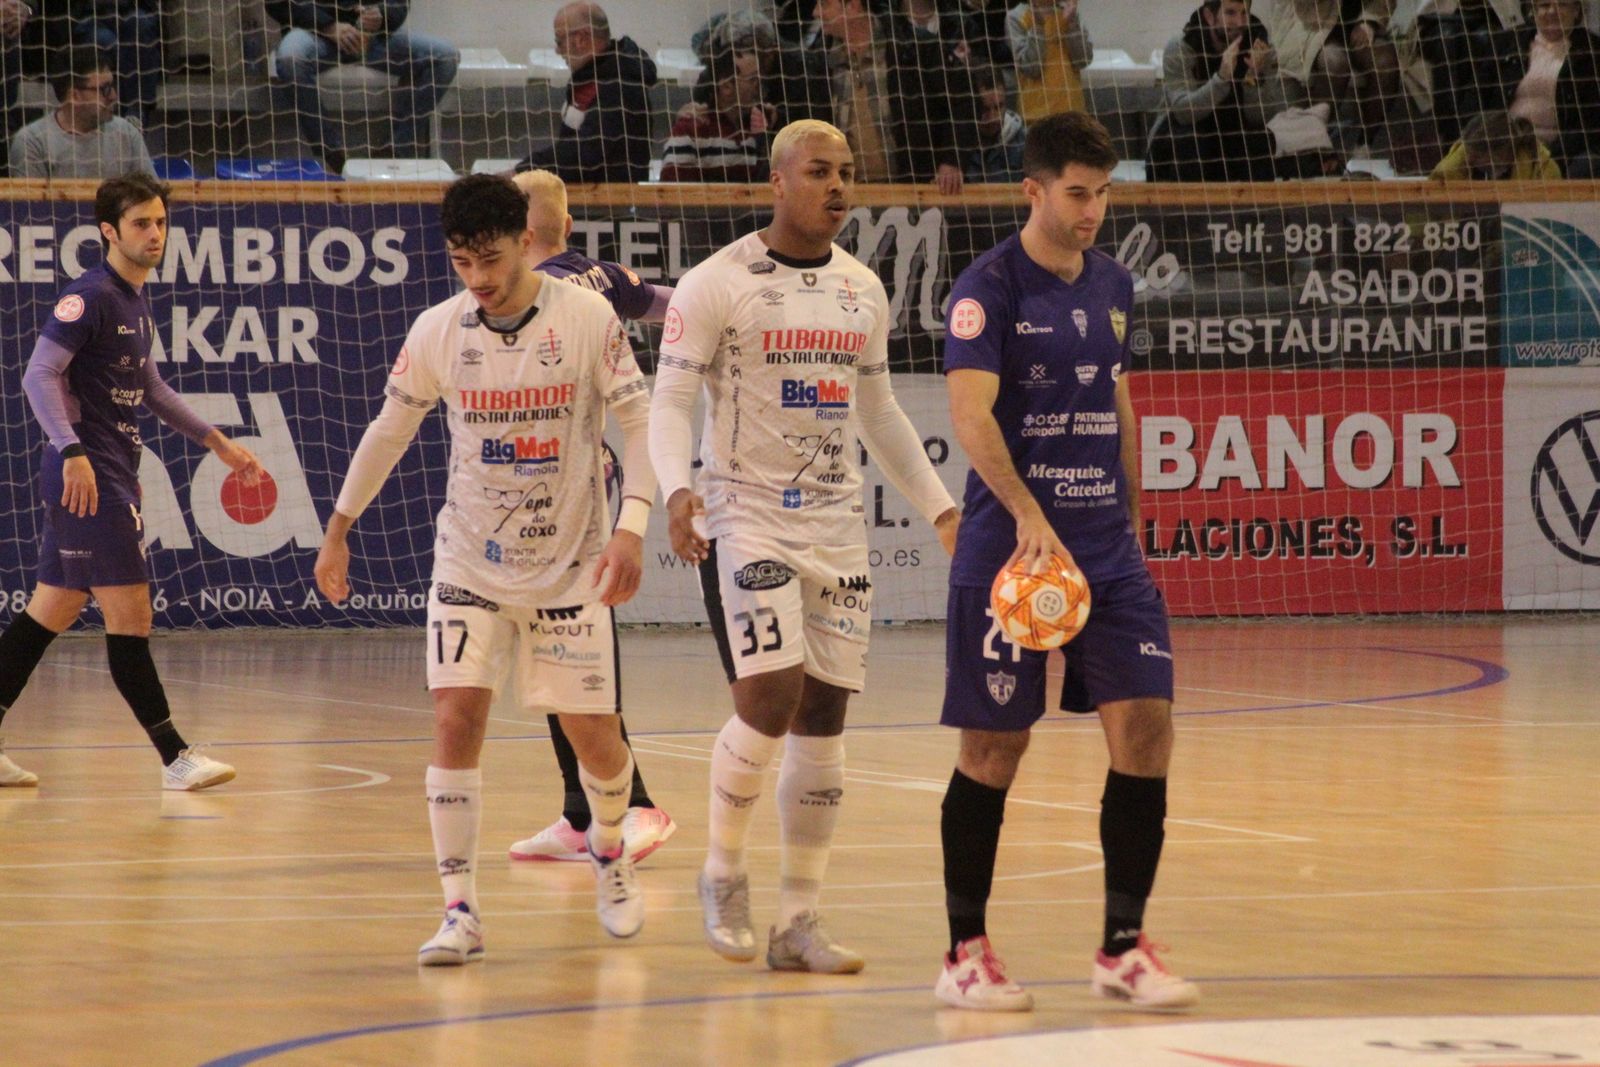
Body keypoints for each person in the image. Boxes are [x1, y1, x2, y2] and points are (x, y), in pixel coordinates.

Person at [315, 174, 656, 963]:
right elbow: (389, 429)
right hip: (469, 560)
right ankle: (460, 908)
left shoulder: (587, 318)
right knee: (454, 719)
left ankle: (609, 846)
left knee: (595, 740)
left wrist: (632, 529)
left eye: (492, 259)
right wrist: (339, 527)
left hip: (572, 566)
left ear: (527, 243)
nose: (479, 278)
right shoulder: (440, 329)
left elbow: (642, 424)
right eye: (463, 262)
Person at [651, 119, 960, 974]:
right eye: (820, 171)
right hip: (745, 515)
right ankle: (721, 869)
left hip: (836, 524)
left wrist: (941, 508)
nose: (838, 186)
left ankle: (800, 919)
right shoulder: (718, 283)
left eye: (847, 172)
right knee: (772, 692)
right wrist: (678, 490)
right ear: (777, 180)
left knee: (826, 711)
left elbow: (882, 412)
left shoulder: (862, 287)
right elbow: (670, 400)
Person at [932, 111, 1198, 1012]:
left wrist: (1130, 515)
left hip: (1107, 555)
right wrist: (1025, 513)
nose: (1093, 210)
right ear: (1033, 190)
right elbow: (969, 416)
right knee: (995, 747)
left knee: (1148, 730)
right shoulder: (987, 289)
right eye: (1078, 194)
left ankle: (1123, 947)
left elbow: (1118, 405)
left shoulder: (1115, 283)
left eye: (1104, 193)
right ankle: (965, 951)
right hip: (1013, 556)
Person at [0, 172, 255, 793]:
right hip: (89, 476)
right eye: (142, 223)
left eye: (161, 222)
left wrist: (213, 439)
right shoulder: (88, 297)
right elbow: (38, 375)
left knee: (51, 610)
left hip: (110, 466)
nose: (155, 234)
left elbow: (151, 387)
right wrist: (72, 452)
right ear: (109, 231)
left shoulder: (134, 303)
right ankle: (174, 756)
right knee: (130, 613)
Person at [501, 166, 677, 865]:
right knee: (552, 647)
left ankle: (634, 805)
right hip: (559, 489)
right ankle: (581, 813)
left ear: (516, 235)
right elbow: (674, 303)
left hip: (571, 491)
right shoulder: (603, 279)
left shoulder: (527, 295)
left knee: (577, 646)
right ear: (566, 225)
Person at [266, 0, 460, 173]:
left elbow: (399, 4)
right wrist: (329, 26)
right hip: (317, 35)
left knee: (446, 56)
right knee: (290, 58)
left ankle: (396, 149)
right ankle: (331, 153)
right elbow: (277, 4)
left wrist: (380, 16)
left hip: (372, 39)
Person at [815, 0, 981, 194]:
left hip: (915, 191)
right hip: (850, 195)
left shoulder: (915, 47)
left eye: (824, 4)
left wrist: (952, 160)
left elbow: (964, 100)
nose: (816, 12)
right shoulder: (820, 59)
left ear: (852, 6)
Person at [1147, 0, 1290, 182]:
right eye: (1230, 13)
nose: (1240, 22)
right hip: (1184, 133)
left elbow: (1262, 117)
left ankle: (1256, 209)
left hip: (1232, 130)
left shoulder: (1259, 46)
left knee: (1261, 140)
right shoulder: (1182, 46)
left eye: (1244, 13)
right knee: (1189, 142)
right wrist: (1221, 79)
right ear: (1209, 16)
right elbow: (1183, 113)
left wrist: (1253, 76)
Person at [517, 2, 657, 183]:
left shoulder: (620, 85)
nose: (557, 50)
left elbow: (585, 155)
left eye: (559, 41)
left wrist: (524, 171)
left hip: (611, 206)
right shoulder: (590, 76)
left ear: (581, 38)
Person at [1488, 0, 1600, 177]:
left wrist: (1550, 154)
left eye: (1562, 5)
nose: (1552, 11)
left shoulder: (1593, 52)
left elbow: (1592, 123)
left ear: (1576, 10)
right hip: (1504, 144)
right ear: (1532, 10)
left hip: (1562, 151)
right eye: (1544, 5)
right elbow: (1478, 98)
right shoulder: (1506, 43)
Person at [9, 47, 153, 179]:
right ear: (75, 96)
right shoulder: (32, 142)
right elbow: (31, 206)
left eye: (113, 86)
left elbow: (153, 198)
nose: (113, 96)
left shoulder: (127, 133)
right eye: (105, 89)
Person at [660, 47, 771, 183]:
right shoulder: (690, 130)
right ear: (726, 87)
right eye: (753, 79)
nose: (758, 86)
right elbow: (674, 196)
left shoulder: (758, 128)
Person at [1007, 0, 1093, 125]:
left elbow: (1083, 60)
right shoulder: (1016, 17)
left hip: (1073, 112)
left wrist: (1072, 24)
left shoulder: (1067, 12)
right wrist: (1039, 27)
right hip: (1035, 116)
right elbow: (1031, 69)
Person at [1430, 109, 1561, 179]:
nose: (1469, 159)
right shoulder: (1450, 170)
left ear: (1503, 153)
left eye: (1477, 156)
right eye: (1467, 152)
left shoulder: (1543, 172)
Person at [964, 65, 1026, 182]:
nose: (993, 117)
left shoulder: (1024, 143)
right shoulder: (952, 146)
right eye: (985, 109)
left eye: (999, 107)